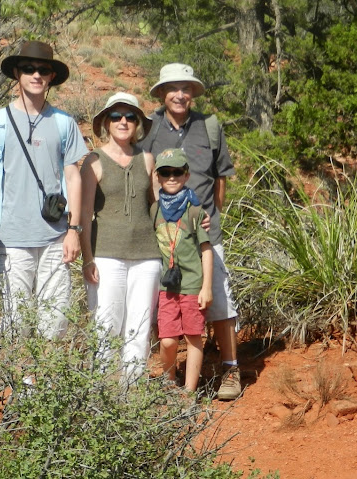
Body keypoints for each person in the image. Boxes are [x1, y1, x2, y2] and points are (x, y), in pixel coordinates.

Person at [0, 40, 88, 342]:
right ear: (17, 75)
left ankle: (47, 387)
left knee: (55, 324)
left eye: (43, 70)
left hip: (55, 238)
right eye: (28, 69)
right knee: (15, 324)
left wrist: (74, 230)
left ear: (51, 77)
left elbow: (74, 178)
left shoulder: (64, 123)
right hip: (12, 239)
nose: (36, 75)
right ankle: (21, 388)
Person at [140, 63, 242, 400]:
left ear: (193, 93)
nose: (180, 94)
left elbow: (221, 176)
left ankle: (229, 367)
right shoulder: (150, 127)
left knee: (220, 299)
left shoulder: (209, 126)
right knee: (165, 304)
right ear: (161, 94)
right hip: (164, 237)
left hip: (204, 233)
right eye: (173, 88)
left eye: (186, 88)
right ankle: (168, 374)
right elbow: (145, 173)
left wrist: (210, 214)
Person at [79, 92, 162, 385]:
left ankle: (131, 397)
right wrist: (87, 258)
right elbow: (84, 214)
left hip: (147, 257)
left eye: (130, 116)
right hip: (106, 255)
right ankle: (101, 398)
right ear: (106, 123)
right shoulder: (93, 161)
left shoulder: (147, 159)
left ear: (138, 123)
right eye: (116, 116)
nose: (123, 121)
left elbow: (157, 207)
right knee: (105, 326)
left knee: (139, 329)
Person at [152, 148, 213, 393]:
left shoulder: (195, 211)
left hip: (192, 284)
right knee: (167, 340)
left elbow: (206, 250)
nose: (171, 177)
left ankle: (188, 391)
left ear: (186, 175)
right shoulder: (154, 210)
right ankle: (169, 381)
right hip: (167, 287)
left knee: (193, 336)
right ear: (158, 176)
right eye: (165, 172)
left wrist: (206, 287)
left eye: (177, 172)